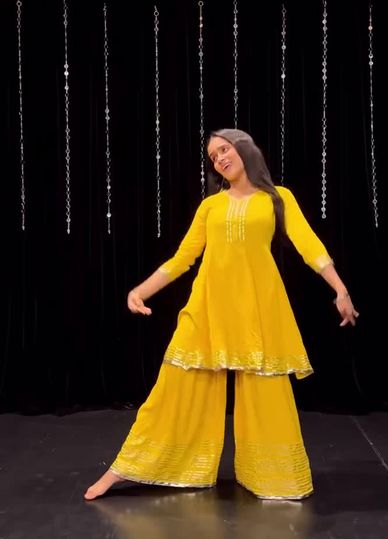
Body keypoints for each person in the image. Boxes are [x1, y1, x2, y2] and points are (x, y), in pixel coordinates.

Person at [84, 128, 359, 501]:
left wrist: (340, 289)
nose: (219, 159)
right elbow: (183, 259)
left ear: (244, 149)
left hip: (258, 309)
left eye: (224, 150)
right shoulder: (210, 206)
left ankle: (271, 476)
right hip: (207, 308)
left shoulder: (278, 198)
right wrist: (140, 291)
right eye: (213, 156)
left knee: (267, 395)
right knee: (174, 389)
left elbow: (309, 245)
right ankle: (126, 468)